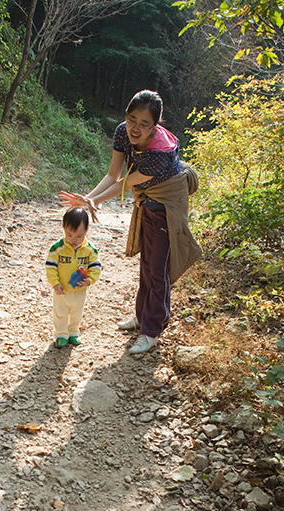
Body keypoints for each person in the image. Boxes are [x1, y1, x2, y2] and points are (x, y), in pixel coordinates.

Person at [60, 89, 201, 355]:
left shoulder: (159, 153)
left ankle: (151, 330)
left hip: (167, 203)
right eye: (132, 119)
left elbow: (125, 184)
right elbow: (113, 174)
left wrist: (95, 201)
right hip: (147, 199)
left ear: (155, 126)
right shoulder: (122, 132)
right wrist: (88, 198)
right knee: (147, 264)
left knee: (158, 270)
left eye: (144, 124)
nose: (135, 128)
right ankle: (144, 316)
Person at [46, 208, 101, 348]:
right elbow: (51, 267)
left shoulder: (89, 250)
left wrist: (90, 280)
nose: (74, 240)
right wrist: (55, 283)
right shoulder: (57, 248)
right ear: (64, 229)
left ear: (86, 232)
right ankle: (60, 334)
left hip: (79, 290)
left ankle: (73, 332)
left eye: (79, 236)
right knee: (60, 313)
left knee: (76, 313)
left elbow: (95, 267)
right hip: (62, 289)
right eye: (69, 235)